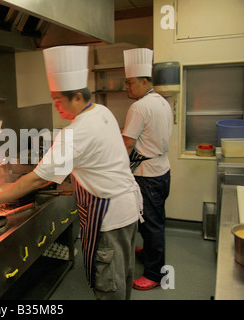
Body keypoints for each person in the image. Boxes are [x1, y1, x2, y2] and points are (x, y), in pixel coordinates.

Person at [0, 45, 143, 300]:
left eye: (58, 100)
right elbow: (99, 161)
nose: (56, 106)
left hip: (109, 218)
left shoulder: (75, 133)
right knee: (122, 277)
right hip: (127, 209)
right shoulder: (102, 112)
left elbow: (36, 178)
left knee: (110, 287)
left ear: (76, 96)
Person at [121, 48, 173, 291]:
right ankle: (150, 253)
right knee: (152, 221)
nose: (126, 88)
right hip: (162, 170)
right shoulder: (161, 101)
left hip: (147, 175)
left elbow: (128, 143)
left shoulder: (139, 107)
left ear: (144, 81)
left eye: (130, 83)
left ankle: (155, 274)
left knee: (151, 224)